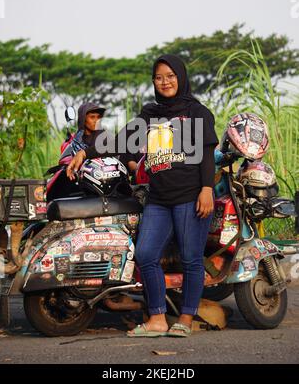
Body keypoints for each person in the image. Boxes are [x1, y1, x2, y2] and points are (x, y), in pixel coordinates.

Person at [67, 55, 218, 338]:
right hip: (159, 198)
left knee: (191, 258)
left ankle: (185, 318)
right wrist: (85, 151)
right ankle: (158, 319)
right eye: (159, 77)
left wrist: (207, 189)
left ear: (181, 77)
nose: (165, 82)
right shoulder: (150, 114)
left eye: (170, 76)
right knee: (146, 254)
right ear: (154, 82)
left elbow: (207, 153)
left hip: (190, 196)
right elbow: (120, 140)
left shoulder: (197, 112)